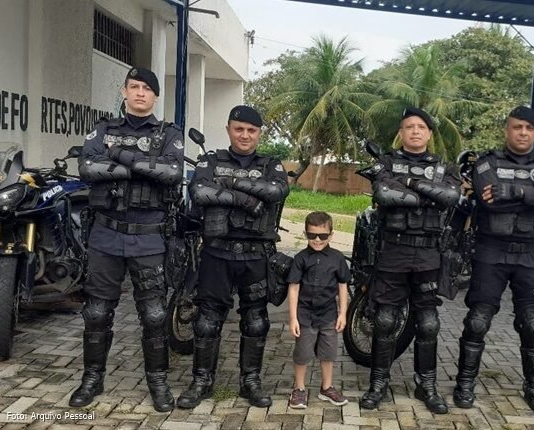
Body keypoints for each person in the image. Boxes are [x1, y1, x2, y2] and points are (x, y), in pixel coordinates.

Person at [71, 67, 184, 412]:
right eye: (134, 86)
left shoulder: (169, 134)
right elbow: (87, 168)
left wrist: (118, 156)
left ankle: (158, 383)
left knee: (154, 314)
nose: (140, 93)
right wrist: (144, 167)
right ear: (124, 91)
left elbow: (172, 173)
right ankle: (92, 379)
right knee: (96, 312)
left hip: (148, 238)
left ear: (155, 96)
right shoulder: (103, 130)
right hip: (105, 234)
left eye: (147, 88)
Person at [453, 106, 534, 416]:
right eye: (517, 127)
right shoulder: (487, 163)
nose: (523, 133)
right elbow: (490, 202)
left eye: (529, 128)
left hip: (532, 253)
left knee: (533, 323)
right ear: (507, 130)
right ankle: (464, 383)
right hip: (491, 251)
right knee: (477, 321)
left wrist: (515, 191)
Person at [177, 105, 289, 409]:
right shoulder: (211, 161)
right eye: (239, 129)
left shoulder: (271, 164)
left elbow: (277, 191)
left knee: (256, 321)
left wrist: (229, 184)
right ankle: (202, 381)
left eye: (251, 130)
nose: (245, 135)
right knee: (206, 321)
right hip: (217, 253)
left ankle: (250, 381)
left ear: (259, 133)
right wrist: (244, 197)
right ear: (228, 129)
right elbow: (199, 191)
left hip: (257, 255)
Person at [360, 107, 461, 414]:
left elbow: (451, 198)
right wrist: (430, 196)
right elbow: (385, 195)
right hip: (394, 251)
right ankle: (378, 383)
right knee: (385, 320)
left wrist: (410, 184)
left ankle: (426, 384)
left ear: (429, 134)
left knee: (428, 323)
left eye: (421, 127)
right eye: (409, 126)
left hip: (429, 254)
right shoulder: (386, 163)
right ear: (401, 133)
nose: (415, 131)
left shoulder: (445, 168)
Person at [287, 211, 350, 409]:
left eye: (322, 235)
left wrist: (343, 314)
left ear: (331, 235)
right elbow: (294, 288)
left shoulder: (337, 258)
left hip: (329, 315)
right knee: (302, 353)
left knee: (328, 352)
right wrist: (293, 318)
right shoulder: (300, 258)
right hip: (305, 315)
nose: (317, 240)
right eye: (311, 235)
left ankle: (327, 387)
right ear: (305, 234)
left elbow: (343, 286)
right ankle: (299, 388)